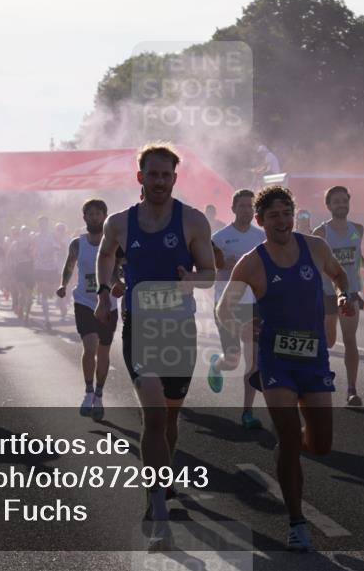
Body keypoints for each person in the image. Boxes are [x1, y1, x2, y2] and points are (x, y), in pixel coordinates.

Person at [216, 185, 352, 553]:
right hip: (275, 360)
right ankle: (296, 521)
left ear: (294, 214)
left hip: (313, 359)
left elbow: (340, 276)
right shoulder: (253, 261)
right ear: (261, 221)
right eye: (273, 215)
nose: (282, 220)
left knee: (321, 445)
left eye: (286, 212)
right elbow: (223, 308)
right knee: (290, 439)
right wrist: (240, 327)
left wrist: (342, 296)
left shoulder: (316, 248)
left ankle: (288, 447)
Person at [94, 143, 215, 537]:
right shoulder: (120, 222)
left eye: (166, 175)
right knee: (155, 414)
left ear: (174, 179)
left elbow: (210, 273)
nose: (159, 181)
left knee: (171, 417)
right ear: (140, 177)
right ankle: (156, 500)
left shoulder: (193, 221)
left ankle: (163, 479)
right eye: (153, 174)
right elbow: (106, 255)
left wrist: (190, 280)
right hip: (139, 328)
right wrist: (106, 287)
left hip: (178, 328)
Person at [312, 186, 364, 407]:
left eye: (344, 200)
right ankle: (322, 372)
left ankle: (352, 390)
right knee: (329, 341)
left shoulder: (357, 229)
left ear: (349, 203)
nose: (341, 204)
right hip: (327, 293)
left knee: (350, 339)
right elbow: (317, 263)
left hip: (349, 292)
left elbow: (356, 253)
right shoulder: (321, 233)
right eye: (336, 201)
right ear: (329, 206)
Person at [57, 199, 123, 421]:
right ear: (84, 217)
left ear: (105, 216)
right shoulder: (78, 243)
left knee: (103, 351)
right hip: (84, 301)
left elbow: (117, 272)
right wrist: (63, 285)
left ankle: (99, 395)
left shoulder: (114, 242)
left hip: (108, 304)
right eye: (90, 214)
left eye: (98, 214)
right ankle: (87, 391)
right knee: (90, 345)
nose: (94, 217)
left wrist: (119, 284)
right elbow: (69, 266)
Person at [207, 189, 265, 430]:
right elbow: (208, 270)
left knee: (253, 362)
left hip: (254, 305)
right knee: (233, 360)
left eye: (250, 206)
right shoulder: (220, 238)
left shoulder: (262, 237)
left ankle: (247, 412)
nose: (246, 210)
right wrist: (223, 266)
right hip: (227, 305)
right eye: (242, 206)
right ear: (233, 209)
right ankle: (217, 364)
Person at [33, 216, 62, 329]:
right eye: (41, 223)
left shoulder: (52, 235)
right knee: (44, 292)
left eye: (45, 223)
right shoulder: (36, 236)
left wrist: (52, 250)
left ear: (47, 224)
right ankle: (47, 319)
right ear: (38, 225)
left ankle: (58, 303)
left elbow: (59, 246)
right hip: (40, 267)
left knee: (53, 291)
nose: (42, 225)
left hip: (52, 267)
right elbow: (33, 250)